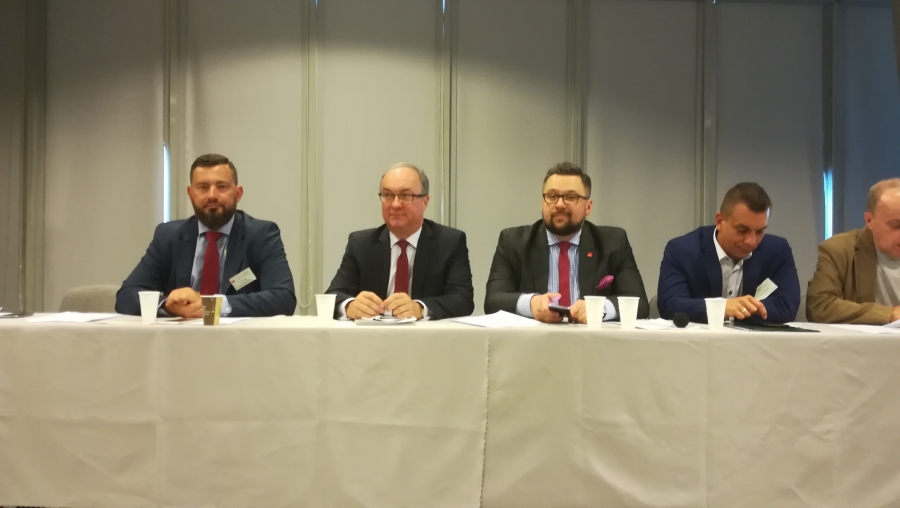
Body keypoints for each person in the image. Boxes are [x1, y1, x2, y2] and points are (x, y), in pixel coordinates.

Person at [115, 154, 296, 317]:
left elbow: (283, 298)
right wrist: (168, 305)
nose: (212, 195)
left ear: (238, 193)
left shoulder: (260, 235)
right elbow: (127, 295)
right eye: (203, 187)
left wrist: (211, 306)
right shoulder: (168, 236)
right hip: (179, 337)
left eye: (222, 186)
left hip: (238, 339)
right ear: (190, 194)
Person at [484, 162, 648, 323]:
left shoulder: (613, 242)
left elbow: (639, 304)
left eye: (570, 197)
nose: (560, 204)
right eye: (552, 196)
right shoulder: (513, 242)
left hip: (591, 339)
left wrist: (599, 308)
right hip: (535, 339)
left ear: (588, 207)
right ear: (542, 203)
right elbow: (493, 301)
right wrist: (532, 304)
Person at [325, 163, 474, 320]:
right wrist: (349, 306)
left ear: (425, 201)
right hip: (373, 334)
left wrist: (420, 308)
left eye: (406, 196)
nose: (395, 204)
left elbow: (463, 300)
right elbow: (332, 295)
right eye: (387, 195)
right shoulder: (361, 244)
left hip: (426, 334)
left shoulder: (449, 242)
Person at [657, 182, 800, 323]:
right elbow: (670, 305)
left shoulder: (777, 251)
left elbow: (787, 306)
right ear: (720, 221)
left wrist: (743, 309)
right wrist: (722, 307)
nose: (751, 241)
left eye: (760, 231)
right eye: (742, 230)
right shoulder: (682, 250)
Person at [807, 178, 900, 324]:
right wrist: (889, 315)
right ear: (869, 220)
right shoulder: (839, 249)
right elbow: (820, 306)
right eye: (896, 225)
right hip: (864, 338)